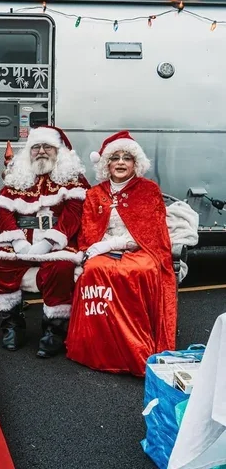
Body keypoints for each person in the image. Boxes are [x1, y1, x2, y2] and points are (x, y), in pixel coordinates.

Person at [66, 130, 177, 377]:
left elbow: (149, 234)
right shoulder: (95, 194)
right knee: (94, 270)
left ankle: (135, 347)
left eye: (126, 158)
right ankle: (101, 348)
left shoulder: (148, 190)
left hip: (141, 250)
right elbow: (88, 232)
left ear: (135, 163)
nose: (120, 163)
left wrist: (108, 245)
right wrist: (92, 251)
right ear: (106, 163)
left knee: (138, 271)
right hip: (103, 251)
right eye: (115, 158)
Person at [0, 126, 90, 358]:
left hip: (57, 243)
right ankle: (12, 325)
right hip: (21, 240)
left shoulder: (73, 180)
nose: (41, 152)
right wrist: (17, 240)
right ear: (29, 152)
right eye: (36, 147)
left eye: (47, 147)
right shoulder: (18, 179)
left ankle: (54, 329)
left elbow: (74, 215)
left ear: (58, 151)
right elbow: (3, 214)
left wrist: (49, 242)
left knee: (61, 267)